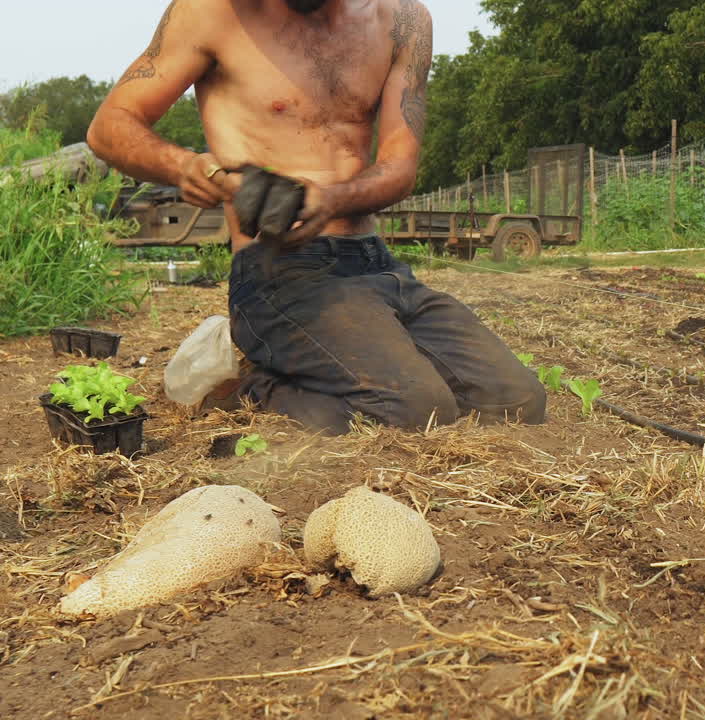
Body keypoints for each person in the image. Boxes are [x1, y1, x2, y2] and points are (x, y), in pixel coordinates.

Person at [87, 0, 546, 434]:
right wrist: (187, 166)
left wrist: (329, 199)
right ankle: (245, 388)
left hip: (375, 263)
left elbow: (400, 165)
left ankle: (329, 359)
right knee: (414, 408)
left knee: (516, 401)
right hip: (280, 268)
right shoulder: (212, 12)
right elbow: (110, 126)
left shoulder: (404, 20)